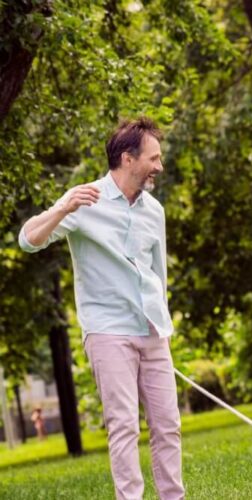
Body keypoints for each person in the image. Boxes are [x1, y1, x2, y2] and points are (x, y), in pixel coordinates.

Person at [19, 118, 184, 499]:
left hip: (153, 331)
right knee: (124, 425)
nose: (159, 166)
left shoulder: (153, 210)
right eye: (153, 158)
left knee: (168, 425)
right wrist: (62, 207)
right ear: (128, 159)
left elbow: (158, 272)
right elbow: (28, 240)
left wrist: (161, 321)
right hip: (108, 330)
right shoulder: (84, 201)